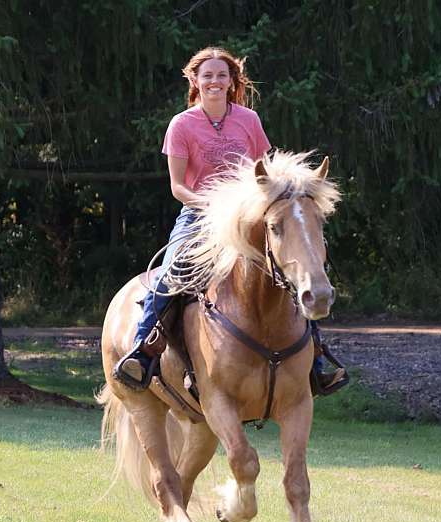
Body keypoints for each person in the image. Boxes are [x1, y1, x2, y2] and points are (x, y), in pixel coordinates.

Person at [115, 46, 346, 395]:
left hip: (247, 219)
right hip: (198, 215)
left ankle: (315, 361)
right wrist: (212, 205)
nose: (214, 81)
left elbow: (264, 174)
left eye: (221, 75)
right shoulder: (181, 124)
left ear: (231, 80)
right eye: (207, 75)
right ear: (195, 80)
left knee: (295, 268)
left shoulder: (248, 120)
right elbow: (178, 186)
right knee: (170, 270)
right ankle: (142, 353)